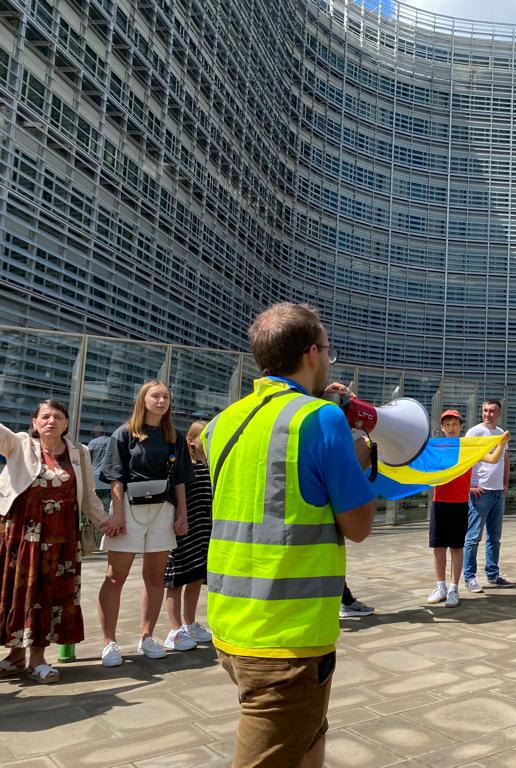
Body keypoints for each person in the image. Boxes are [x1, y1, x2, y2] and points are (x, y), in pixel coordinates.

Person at [204, 302, 376, 768]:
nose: (327, 358)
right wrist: (361, 464)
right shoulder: (318, 419)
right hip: (289, 638)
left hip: (231, 622)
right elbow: (359, 526)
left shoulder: (223, 423)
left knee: (309, 739)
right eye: (327, 348)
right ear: (311, 354)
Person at [0, 400, 113, 683]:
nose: (51, 421)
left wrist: (106, 522)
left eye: (58, 417)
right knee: (17, 592)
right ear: (35, 423)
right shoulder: (20, 444)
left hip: (60, 540)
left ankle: (37, 659)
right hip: (21, 537)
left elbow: (87, 496)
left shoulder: (79, 453)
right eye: (45, 416)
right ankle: (14, 656)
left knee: (47, 596)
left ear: (66, 424)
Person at [99, 380, 194, 667]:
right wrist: (117, 514)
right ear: (143, 400)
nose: (162, 400)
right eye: (156, 395)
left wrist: (182, 514)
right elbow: (116, 477)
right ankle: (109, 642)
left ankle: (147, 636)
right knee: (116, 576)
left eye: (166, 396)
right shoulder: (124, 433)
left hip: (163, 509)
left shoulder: (174, 436)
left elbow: (180, 480)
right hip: (129, 508)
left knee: (155, 578)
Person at [427, 409, 508, 607]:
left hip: (460, 504)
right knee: (438, 548)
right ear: (442, 428)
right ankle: (441, 587)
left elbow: (491, 459)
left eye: (455, 424)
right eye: (447, 424)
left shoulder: (467, 446)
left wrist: (501, 443)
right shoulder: (437, 446)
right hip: (439, 503)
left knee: (456, 547)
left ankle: (454, 588)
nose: (451, 428)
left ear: (461, 426)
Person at [162, 420, 213, 651]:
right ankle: (175, 629)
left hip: (204, 528)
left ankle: (190, 622)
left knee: (195, 577)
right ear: (191, 440)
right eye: (203, 435)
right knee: (177, 579)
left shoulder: (211, 464)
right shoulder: (184, 466)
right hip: (184, 528)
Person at [463, 399, 512, 592]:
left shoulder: (501, 434)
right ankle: (469, 577)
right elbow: (465, 461)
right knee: (473, 536)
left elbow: (504, 460)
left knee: (495, 537)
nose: (487, 414)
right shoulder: (474, 432)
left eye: (492, 411)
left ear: (498, 413)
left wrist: (505, 484)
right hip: (480, 491)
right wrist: (469, 487)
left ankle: (492, 574)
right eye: (485, 410)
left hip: (497, 491)